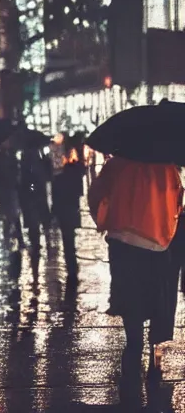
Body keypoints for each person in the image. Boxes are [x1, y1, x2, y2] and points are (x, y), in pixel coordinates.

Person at [88, 156, 182, 399]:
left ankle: (133, 350)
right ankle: (156, 361)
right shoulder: (167, 168)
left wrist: (108, 222)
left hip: (123, 243)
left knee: (131, 301)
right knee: (159, 304)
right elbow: (177, 204)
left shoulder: (116, 165)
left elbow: (95, 197)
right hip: (157, 246)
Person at [52, 138, 84, 277]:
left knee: (67, 239)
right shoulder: (76, 176)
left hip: (64, 212)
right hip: (71, 210)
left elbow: (56, 197)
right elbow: (79, 192)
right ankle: (72, 264)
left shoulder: (59, 177)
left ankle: (71, 265)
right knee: (70, 238)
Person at [0, 141, 24, 249]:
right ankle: (10, 239)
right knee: (10, 216)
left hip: (11, 190)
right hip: (6, 191)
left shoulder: (11, 156)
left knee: (13, 216)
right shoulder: (1, 157)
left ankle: (16, 239)